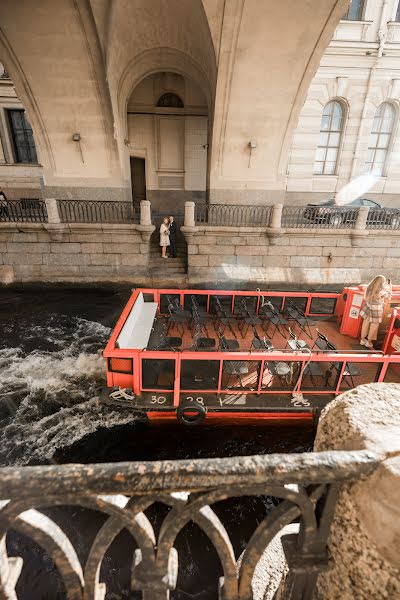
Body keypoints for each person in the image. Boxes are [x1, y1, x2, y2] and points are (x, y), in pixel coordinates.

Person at [359, 275, 392, 349]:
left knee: (365, 323)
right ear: (381, 283)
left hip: (368, 308)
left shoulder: (369, 287)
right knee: (374, 326)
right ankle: (369, 342)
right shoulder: (381, 291)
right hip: (376, 310)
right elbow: (389, 296)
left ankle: (362, 339)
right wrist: (390, 287)